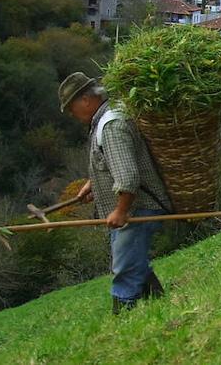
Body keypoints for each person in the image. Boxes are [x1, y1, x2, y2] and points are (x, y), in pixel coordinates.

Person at [59, 72, 173, 313]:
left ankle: (122, 319)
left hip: (137, 208)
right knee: (133, 262)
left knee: (125, 268)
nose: (72, 114)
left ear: (86, 100)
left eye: (71, 108)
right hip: (135, 206)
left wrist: (121, 211)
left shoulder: (110, 125)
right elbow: (114, 162)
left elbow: (129, 177)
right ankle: (160, 306)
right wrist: (95, 184)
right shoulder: (105, 121)